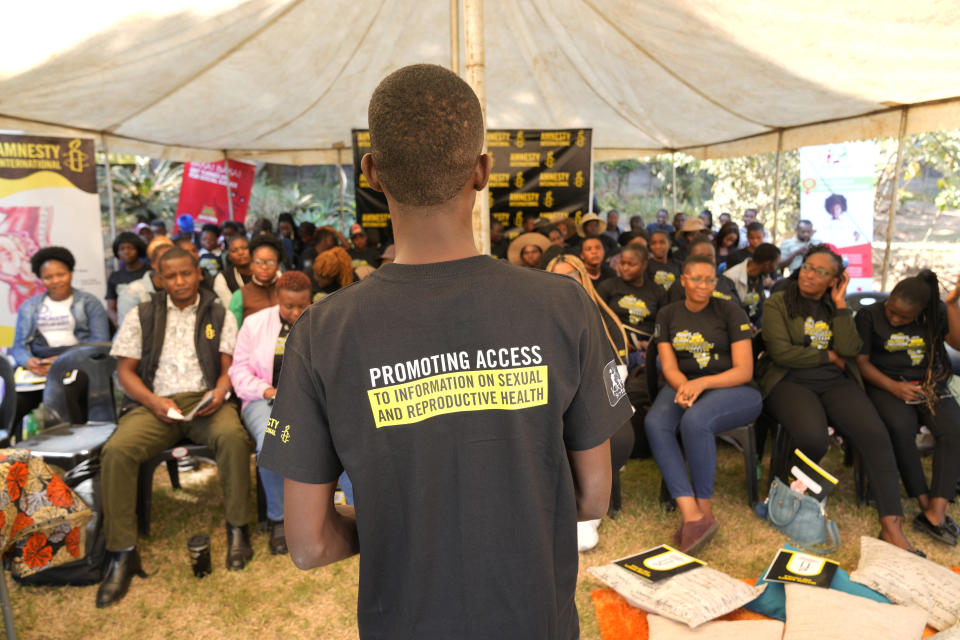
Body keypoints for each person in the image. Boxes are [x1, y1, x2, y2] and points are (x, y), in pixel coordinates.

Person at [258, 64, 631, 640]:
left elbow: (307, 545)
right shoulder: (563, 306)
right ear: (482, 171)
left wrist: (385, 525)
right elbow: (594, 495)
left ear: (372, 173)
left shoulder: (321, 332)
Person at [97, 247, 251, 607]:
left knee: (233, 437)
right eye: (172, 276)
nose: (180, 282)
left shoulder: (219, 312)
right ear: (159, 278)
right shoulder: (143, 314)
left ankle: (238, 530)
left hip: (206, 402)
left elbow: (229, 367)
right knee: (117, 451)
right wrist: (153, 402)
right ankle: (122, 552)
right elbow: (125, 371)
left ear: (199, 273)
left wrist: (220, 390)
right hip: (154, 403)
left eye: (186, 274)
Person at [758, 245, 919, 553]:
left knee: (875, 435)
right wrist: (827, 355)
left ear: (835, 279)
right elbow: (781, 353)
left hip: (835, 383)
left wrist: (841, 304)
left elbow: (849, 348)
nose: (810, 275)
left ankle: (891, 524)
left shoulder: (836, 307)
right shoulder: (778, 302)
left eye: (822, 272)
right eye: (807, 267)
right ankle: (784, 499)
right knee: (813, 438)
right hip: (789, 382)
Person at [645, 255, 761, 553]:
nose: (703, 285)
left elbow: (744, 370)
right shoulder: (667, 315)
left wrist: (701, 383)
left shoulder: (730, 312)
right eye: (696, 278)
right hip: (683, 384)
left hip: (735, 389)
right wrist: (683, 384)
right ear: (683, 280)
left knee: (695, 421)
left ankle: (705, 510)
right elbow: (668, 365)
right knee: (656, 423)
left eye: (709, 279)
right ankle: (692, 515)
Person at [855, 271, 960, 546]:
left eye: (904, 317)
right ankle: (923, 498)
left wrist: (951, 305)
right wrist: (893, 387)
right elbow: (862, 363)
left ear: (922, 312)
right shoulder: (869, 316)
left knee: (954, 429)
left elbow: (957, 343)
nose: (895, 319)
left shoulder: (935, 314)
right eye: (892, 312)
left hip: (928, 383)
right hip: (885, 384)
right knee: (899, 427)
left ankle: (936, 512)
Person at [546, 254, 635, 550]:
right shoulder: (536, 317)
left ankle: (584, 515)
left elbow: (614, 380)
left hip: (601, 406)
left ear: (583, 278)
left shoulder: (604, 318)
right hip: (552, 408)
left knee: (609, 437)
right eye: (557, 275)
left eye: (572, 275)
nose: (565, 282)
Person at [229, 270, 314, 555]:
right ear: (277, 299)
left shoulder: (319, 321)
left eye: (302, 305)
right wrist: (267, 391)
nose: (295, 312)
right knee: (271, 442)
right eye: (289, 306)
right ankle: (279, 519)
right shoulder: (254, 324)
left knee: (338, 434)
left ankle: (333, 509)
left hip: (309, 401)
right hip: (263, 399)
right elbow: (238, 370)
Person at [12, 246, 110, 425]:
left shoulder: (89, 303)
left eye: (61, 274)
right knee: (12, 402)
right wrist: (28, 361)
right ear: (41, 279)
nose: (55, 281)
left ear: (71, 273)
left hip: (79, 364)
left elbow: (100, 343)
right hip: (39, 367)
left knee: (63, 394)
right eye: (48, 277)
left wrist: (64, 360)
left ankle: (70, 443)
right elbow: (19, 346)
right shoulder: (30, 307)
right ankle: (10, 449)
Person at [598, 244, 667, 341]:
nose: (625, 268)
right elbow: (597, 320)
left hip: (647, 344)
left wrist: (653, 345)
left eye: (631, 264)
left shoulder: (657, 291)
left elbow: (661, 325)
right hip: (614, 342)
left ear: (644, 265)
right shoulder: (607, 286)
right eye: (622, 263)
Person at [117, 237, 175, 328]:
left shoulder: (180, 288)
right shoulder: (132, 292)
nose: (171, 263)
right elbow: (128, 332)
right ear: (153, 264)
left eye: (174, 259)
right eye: (164, 259)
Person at [719, 243, 781, 327]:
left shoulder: (762, 276)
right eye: (776, 264)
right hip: (739, 325)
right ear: (767, 264)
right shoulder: (731, 278)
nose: (776, 268)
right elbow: (729, 311)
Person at [228, 233, 283, 326]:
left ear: (278, 266)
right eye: (259, 262)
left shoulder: (287, 290)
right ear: (251, 265)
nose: (264, 267)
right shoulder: (240, 296)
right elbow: (233, 332)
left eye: (270, 262)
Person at [667, 237, 741, 303]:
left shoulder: (727, 282)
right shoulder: (679, 286)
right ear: (689, 259)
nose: (706, 261)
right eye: (701, 257)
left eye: (710, 257)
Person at [106, 232, 149, 326]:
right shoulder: (115, 277)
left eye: (130, 248)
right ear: (117, 252)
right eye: (122, 249)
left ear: (138, 249)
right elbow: (111, 308)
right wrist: (119, 322)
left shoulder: (149, 273)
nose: (126, 252)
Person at [213, 235, 253, 308]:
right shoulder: (222, 278)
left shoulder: (265, 269)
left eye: (244, 248)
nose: (240, 253)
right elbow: (231, 308)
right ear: (229, 256)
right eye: (234, 250)